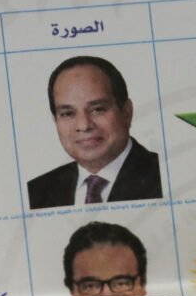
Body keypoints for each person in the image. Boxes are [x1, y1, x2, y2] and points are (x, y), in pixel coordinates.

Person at [26, 55, 162, 209]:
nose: (84, 125)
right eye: (67, 113)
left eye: (98, 109)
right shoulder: (36, 192)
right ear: (55, 120)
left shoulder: (165, 174)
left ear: (126, 112)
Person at [43, 221, 174, 296]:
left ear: (142, 280)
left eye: (121, 283)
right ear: (70, 285)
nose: (107, 294)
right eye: (90, 285)